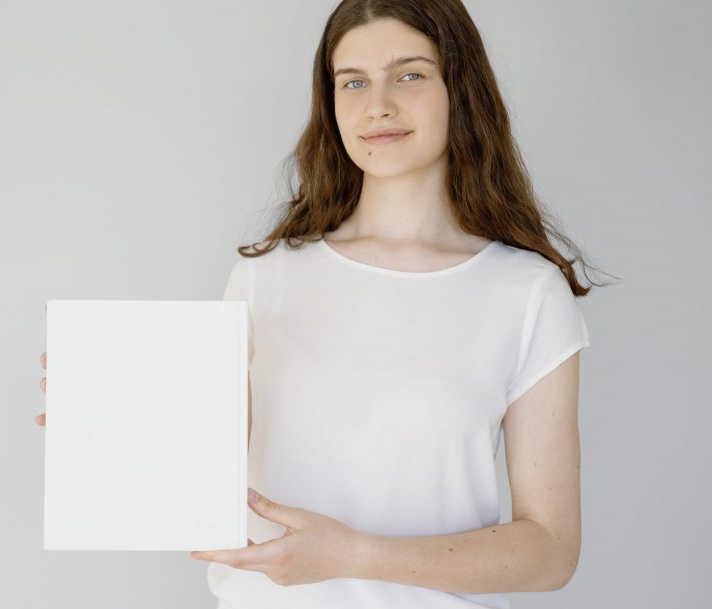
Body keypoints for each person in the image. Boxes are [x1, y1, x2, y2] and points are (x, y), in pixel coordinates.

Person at [37, 0, 613, 607]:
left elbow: (550, 552)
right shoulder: (267, 275)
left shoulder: (526, 293)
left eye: (409, 74)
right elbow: (197, 475)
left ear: (460, 90)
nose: (378, 104)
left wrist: (354, 555)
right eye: (353, 81)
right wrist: (115, 426)